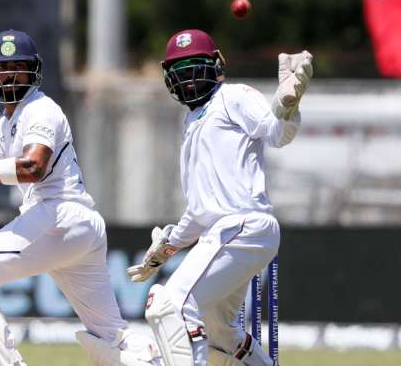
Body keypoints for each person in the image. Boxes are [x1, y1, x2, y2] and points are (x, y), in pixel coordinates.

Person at [0, 30, 162, 366]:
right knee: (112, 337)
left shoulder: (40, 110)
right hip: (76, 228)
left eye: (18, 67)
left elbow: (33, 167)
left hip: (59, 217)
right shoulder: (7, 123)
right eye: (1, 68)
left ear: (33, 70)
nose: (9, 75)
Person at [126, 30, 313, 366]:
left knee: (170, 305)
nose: (188, 81)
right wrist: (165, 248)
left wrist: (288, 104)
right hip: (225, 233)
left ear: (215, 65)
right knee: (217, 331)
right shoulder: (191, 121)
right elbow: (200, 211)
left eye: (194, 69)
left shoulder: (234, 96)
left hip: (243, 226)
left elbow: (275, 132)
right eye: (180, 73)